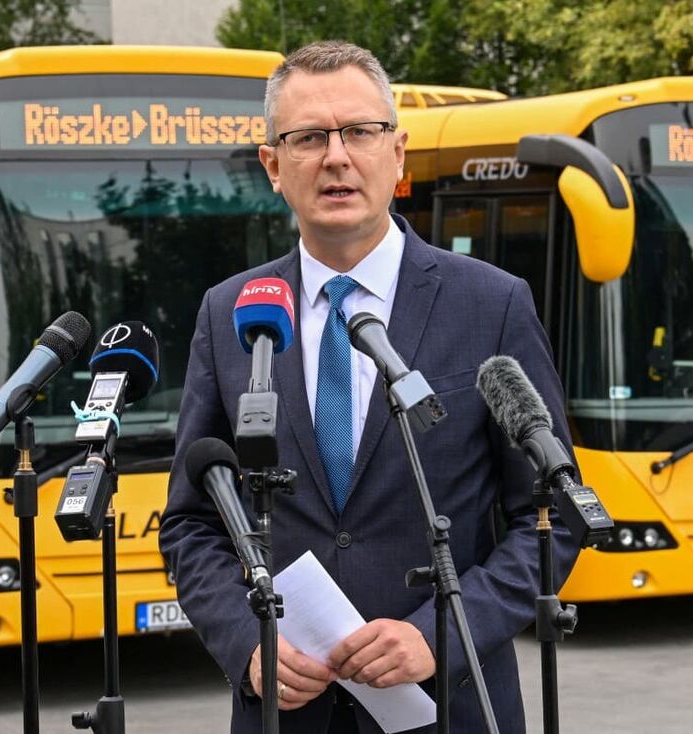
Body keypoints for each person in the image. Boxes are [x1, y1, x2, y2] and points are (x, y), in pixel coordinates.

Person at [159, 40, 579, 733]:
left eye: (360, 131)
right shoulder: (229, 310)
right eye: (308, 137)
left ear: (398, 153)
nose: (336, 156)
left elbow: (552, 516)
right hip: (285, 714)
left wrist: (440, 632)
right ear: (273, 164)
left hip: (449, 707)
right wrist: (247, 645)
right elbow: (191, 522)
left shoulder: (492, 304)